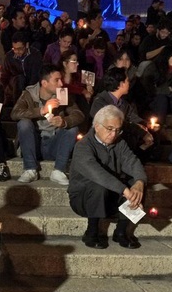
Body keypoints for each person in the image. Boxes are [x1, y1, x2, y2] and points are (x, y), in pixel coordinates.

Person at [68, 105, 147, 249]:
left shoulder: (119, 143)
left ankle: (121, 232)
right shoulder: (83, 146)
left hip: (110, 196)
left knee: (137, 186)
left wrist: (139, 182)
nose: (114, 134)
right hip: (84, 198)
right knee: (98, 185)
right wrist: (125, 190)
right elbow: (97, 174)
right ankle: (92, 231)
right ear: (97, 126)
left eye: (118, 130)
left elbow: (133, 162)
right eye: (110, 129)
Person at [11, 65, 85, 185]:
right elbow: (15, 113)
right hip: (34, 144)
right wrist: (41, 110)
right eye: (56, 80)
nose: (61, 83)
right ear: (44, 83)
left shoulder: (62, 95)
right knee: (24, 123)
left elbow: (78, 114)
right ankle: (30, 169)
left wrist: (64, 121)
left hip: (53, 143)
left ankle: (59, 171)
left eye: (61, 79)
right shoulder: (29, 94)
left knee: (72, 128)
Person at [90, 67, 155, 160]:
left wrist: (145, 125)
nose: (129, 83)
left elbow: (133, 117)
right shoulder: (100, 101)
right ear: (121, 84)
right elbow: (113, 123)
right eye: (127, 80)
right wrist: (140, 131)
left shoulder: (123, 103)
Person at [139, 45, 172, 125]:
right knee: (161, 99)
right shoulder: (153, 68)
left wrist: (163, 89)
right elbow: (151, 90)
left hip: (170, 101)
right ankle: (158, 129)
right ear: (167, 57)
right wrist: (169, 89)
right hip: (153, 101)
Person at [0, 31, 42, 106]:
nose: (17, 51)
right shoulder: (9, 57)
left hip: (32, 87)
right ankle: (18, 106)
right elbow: (4, 76)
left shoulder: (35, 54)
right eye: (14, 49)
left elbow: (36, 75)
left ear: (27, 45)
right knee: (19, 79)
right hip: (14, 88)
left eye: (20, 48)